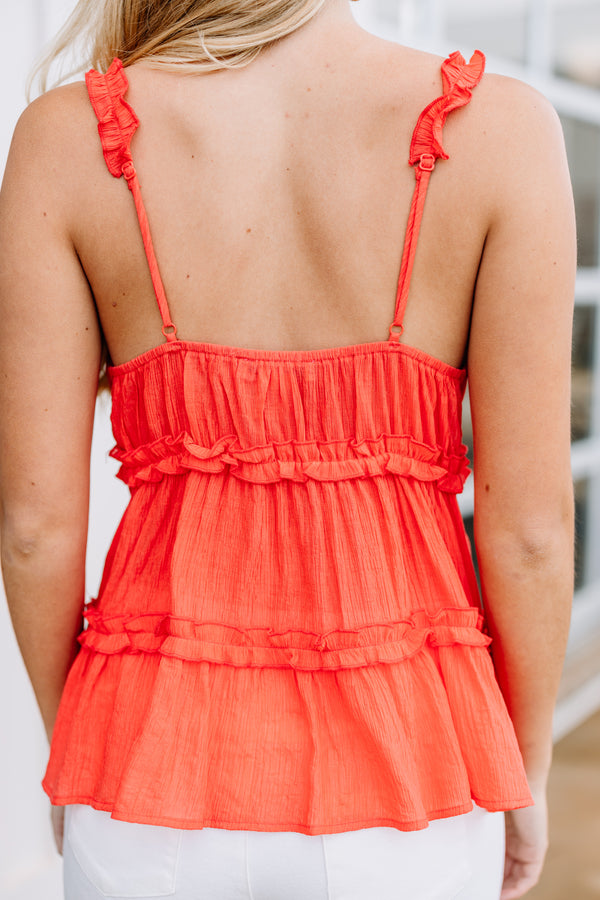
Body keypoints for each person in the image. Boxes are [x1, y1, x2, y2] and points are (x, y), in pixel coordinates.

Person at [0, 0, 575, 897]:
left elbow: (34, 527)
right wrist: (524, 770)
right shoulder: (501, 130)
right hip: (414, 766)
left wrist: (80, 740)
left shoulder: (64, 139)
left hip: (150, 762)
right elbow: (531, 533)